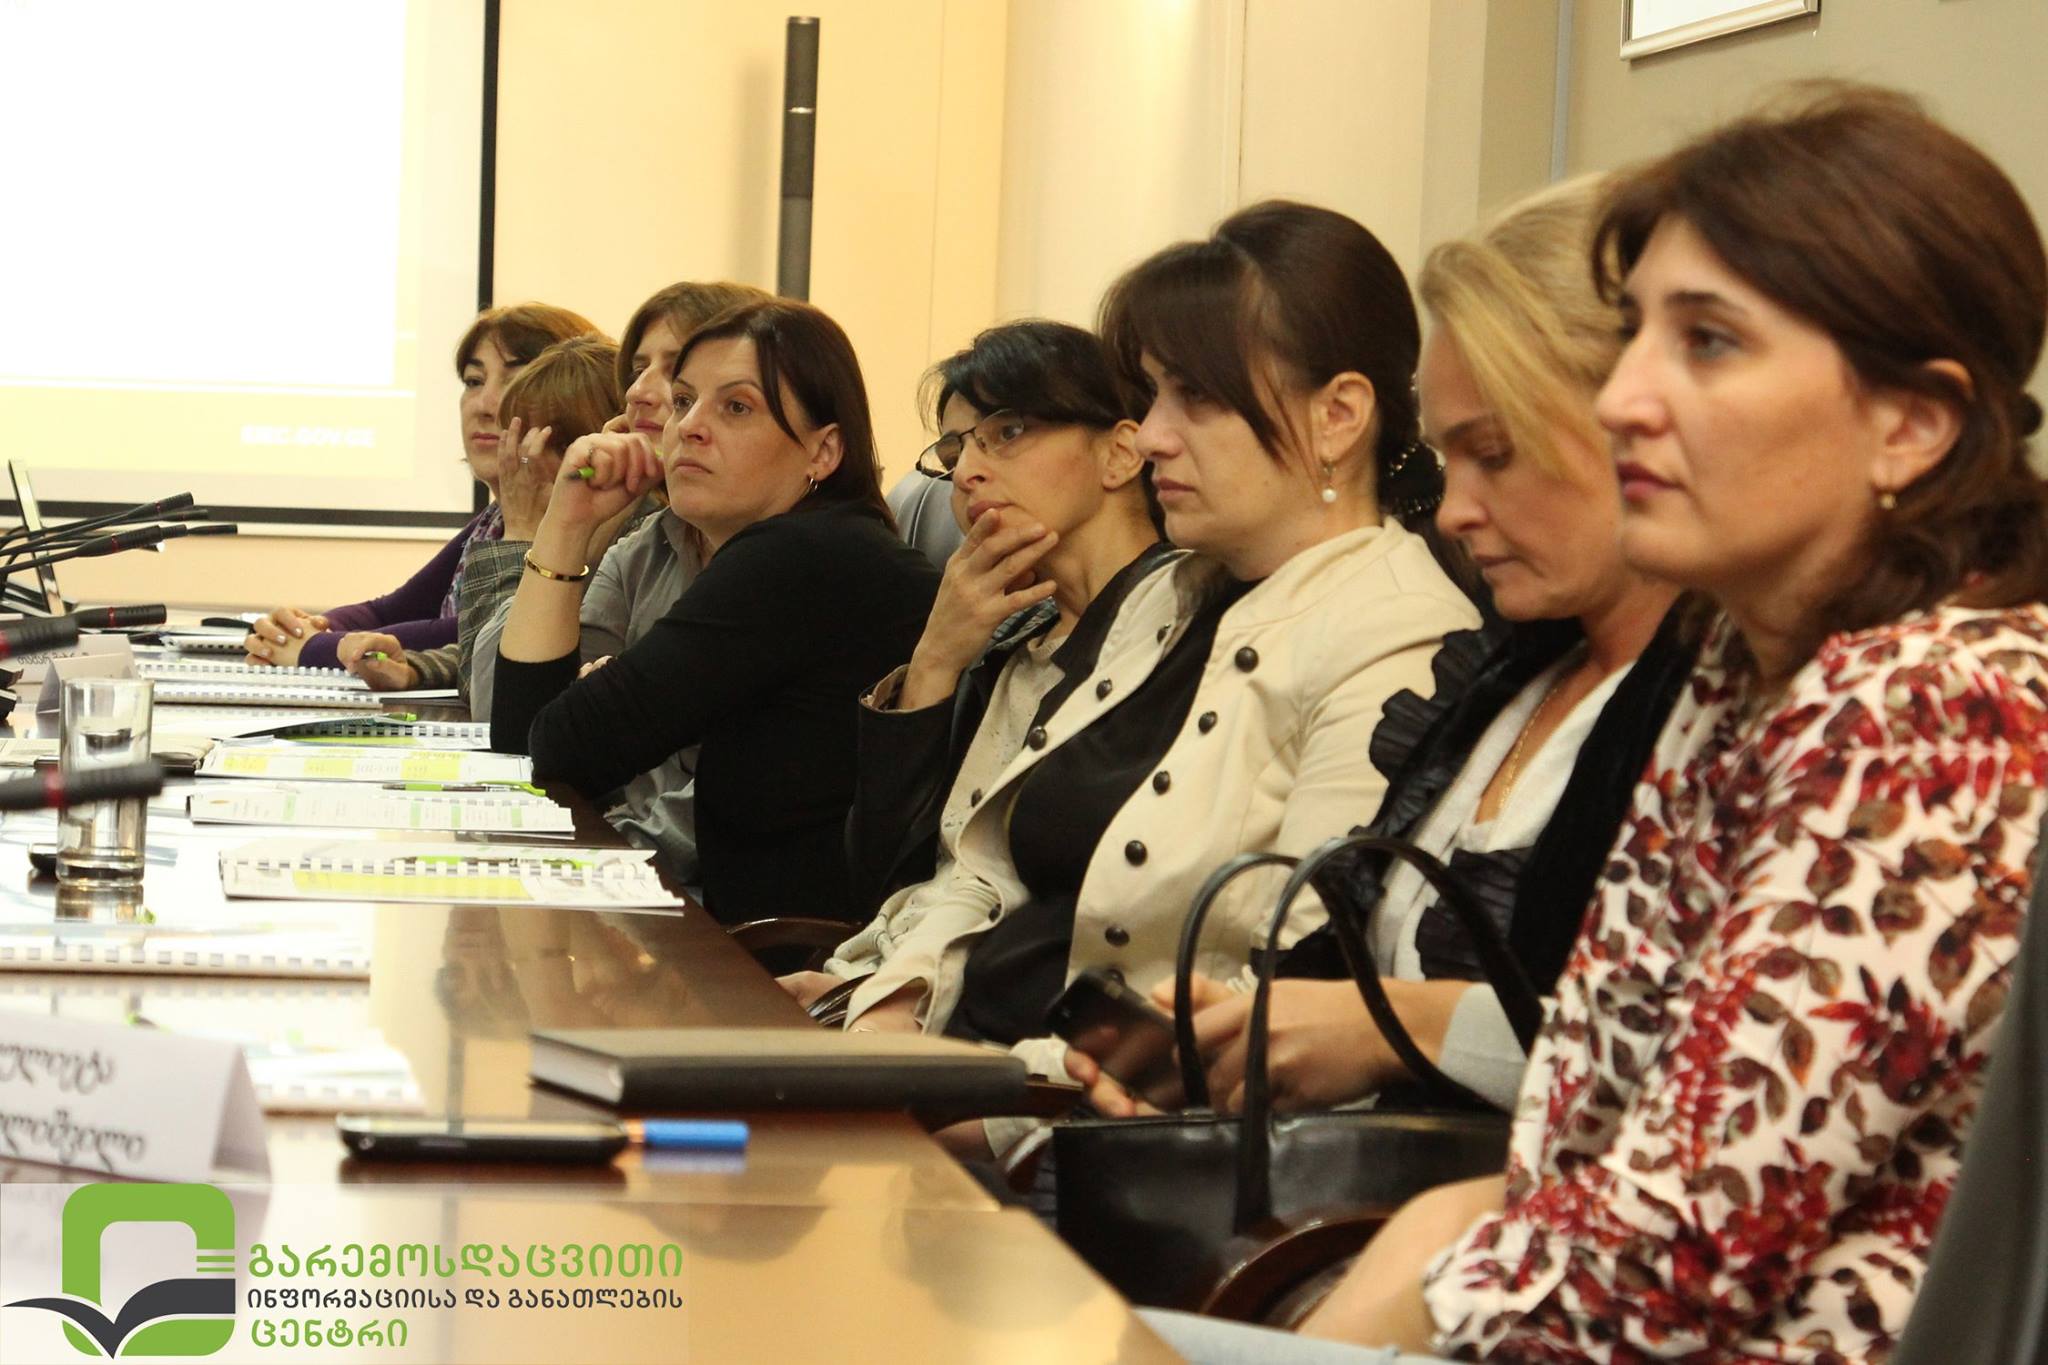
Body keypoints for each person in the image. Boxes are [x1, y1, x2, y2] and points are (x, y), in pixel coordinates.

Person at [1145, 82, 2048, 1365]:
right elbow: (1587, 1134)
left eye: (1708, 342)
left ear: (1908, 424)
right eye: (1634, 339)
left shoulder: (1932, 708)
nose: (1623, 397)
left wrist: (1418, 1279)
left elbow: (1671, 1260)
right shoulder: (1735, 665)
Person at [823, 201, 1481, 1164]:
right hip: (950, 1071)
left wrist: (975, 1100)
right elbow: (982, 865)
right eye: (1153, 394)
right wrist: (894, 1012)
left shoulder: (1395, 632)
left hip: (1085, 1148)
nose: (1155, 434)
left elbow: (1272, 1003)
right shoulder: (1166, 594)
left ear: (1337, 416)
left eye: (1195, 399)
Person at [1078, 180, 1689, 1121]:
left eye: (1497, 453)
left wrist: (1390, 1026)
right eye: (1452, 456)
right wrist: (1221, 1054)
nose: (1455, 510)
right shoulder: (1510, 680)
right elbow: (1338, 973)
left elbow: (1709, 1068)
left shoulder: (1726, 703)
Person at [491, 299, 939, 923]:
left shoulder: (798, 559)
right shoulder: (815, 544)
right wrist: (567, 523)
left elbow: (548, 756)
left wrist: (588, 707)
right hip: (740, 933)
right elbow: (524, 746)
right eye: (684, 402)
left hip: (786, 958)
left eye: (736, 407)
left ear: (824, 451)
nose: (690, 428)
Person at [776, 318, 1171, 1005]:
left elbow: (1059, 892)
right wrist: (934, 662)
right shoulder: (1010, 635)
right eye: (955, 449)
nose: (965, 472)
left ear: (1119, 453)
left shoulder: (1179, 628)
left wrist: (889, 999)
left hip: (1006, 1017)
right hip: (883, 980)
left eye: (1007, 432)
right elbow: (883, 878)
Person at [241, 302, 599, 670]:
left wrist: (313, 648)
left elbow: (477, 634)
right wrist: (308, 628)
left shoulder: (579, 523)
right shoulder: (494, 520)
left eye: (514, 382)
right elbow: (388, 611)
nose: (485, 405)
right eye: (474, 381)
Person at [341, 334, 625, 692]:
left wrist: (521, 531)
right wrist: (414, 668)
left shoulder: (623, 542)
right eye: (473, 381)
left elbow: (498, 686)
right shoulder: (497, 521)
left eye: (548, 444)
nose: (523, 462)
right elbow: (482, 648)